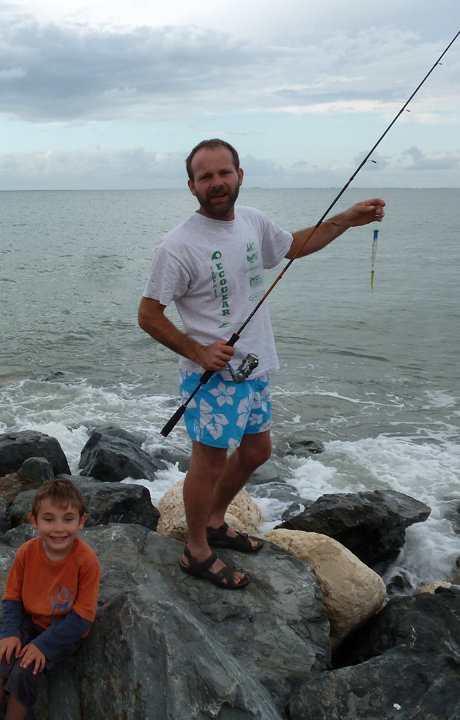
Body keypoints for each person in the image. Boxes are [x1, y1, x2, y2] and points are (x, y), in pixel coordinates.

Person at [138, 138, 385, 590]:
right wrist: (198, 351)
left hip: (254, 367)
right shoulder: (176, 246)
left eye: (224, 173)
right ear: (191, 186)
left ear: (239, 176)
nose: (217, 183)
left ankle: (215, 520)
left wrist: (346, 220)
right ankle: (196, 550)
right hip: (211, 376)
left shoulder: (252, 222)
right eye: (206, 176)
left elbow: (292, 246)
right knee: (207, 463)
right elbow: (148, 314)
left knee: (256, 452)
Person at [0, 477, 101, 720]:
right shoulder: (26, 552)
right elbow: (12, 598)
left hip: (63, 631)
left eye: (68, 519)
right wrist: (11, 632)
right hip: (29, 620)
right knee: (3, 657)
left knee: (25, 668)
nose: (59, 528)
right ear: (34, 521)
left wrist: (43, 645)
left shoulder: (87, 561)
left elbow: (82, 619)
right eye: (49, 519)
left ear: (81, 521)